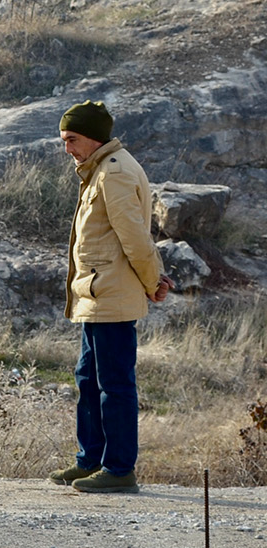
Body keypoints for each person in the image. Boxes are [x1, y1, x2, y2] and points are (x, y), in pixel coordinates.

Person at [49, 100, 171, 494]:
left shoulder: (114, 173)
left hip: (111, 297)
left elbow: (135, 238)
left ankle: (119, 469)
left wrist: (154, 280)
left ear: (93, 137)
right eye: (64, 140)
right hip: (96, 295)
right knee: (89, 379)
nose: (67, 148)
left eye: (72, 139)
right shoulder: (100, 169)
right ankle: (91, 461)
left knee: (114, 384)